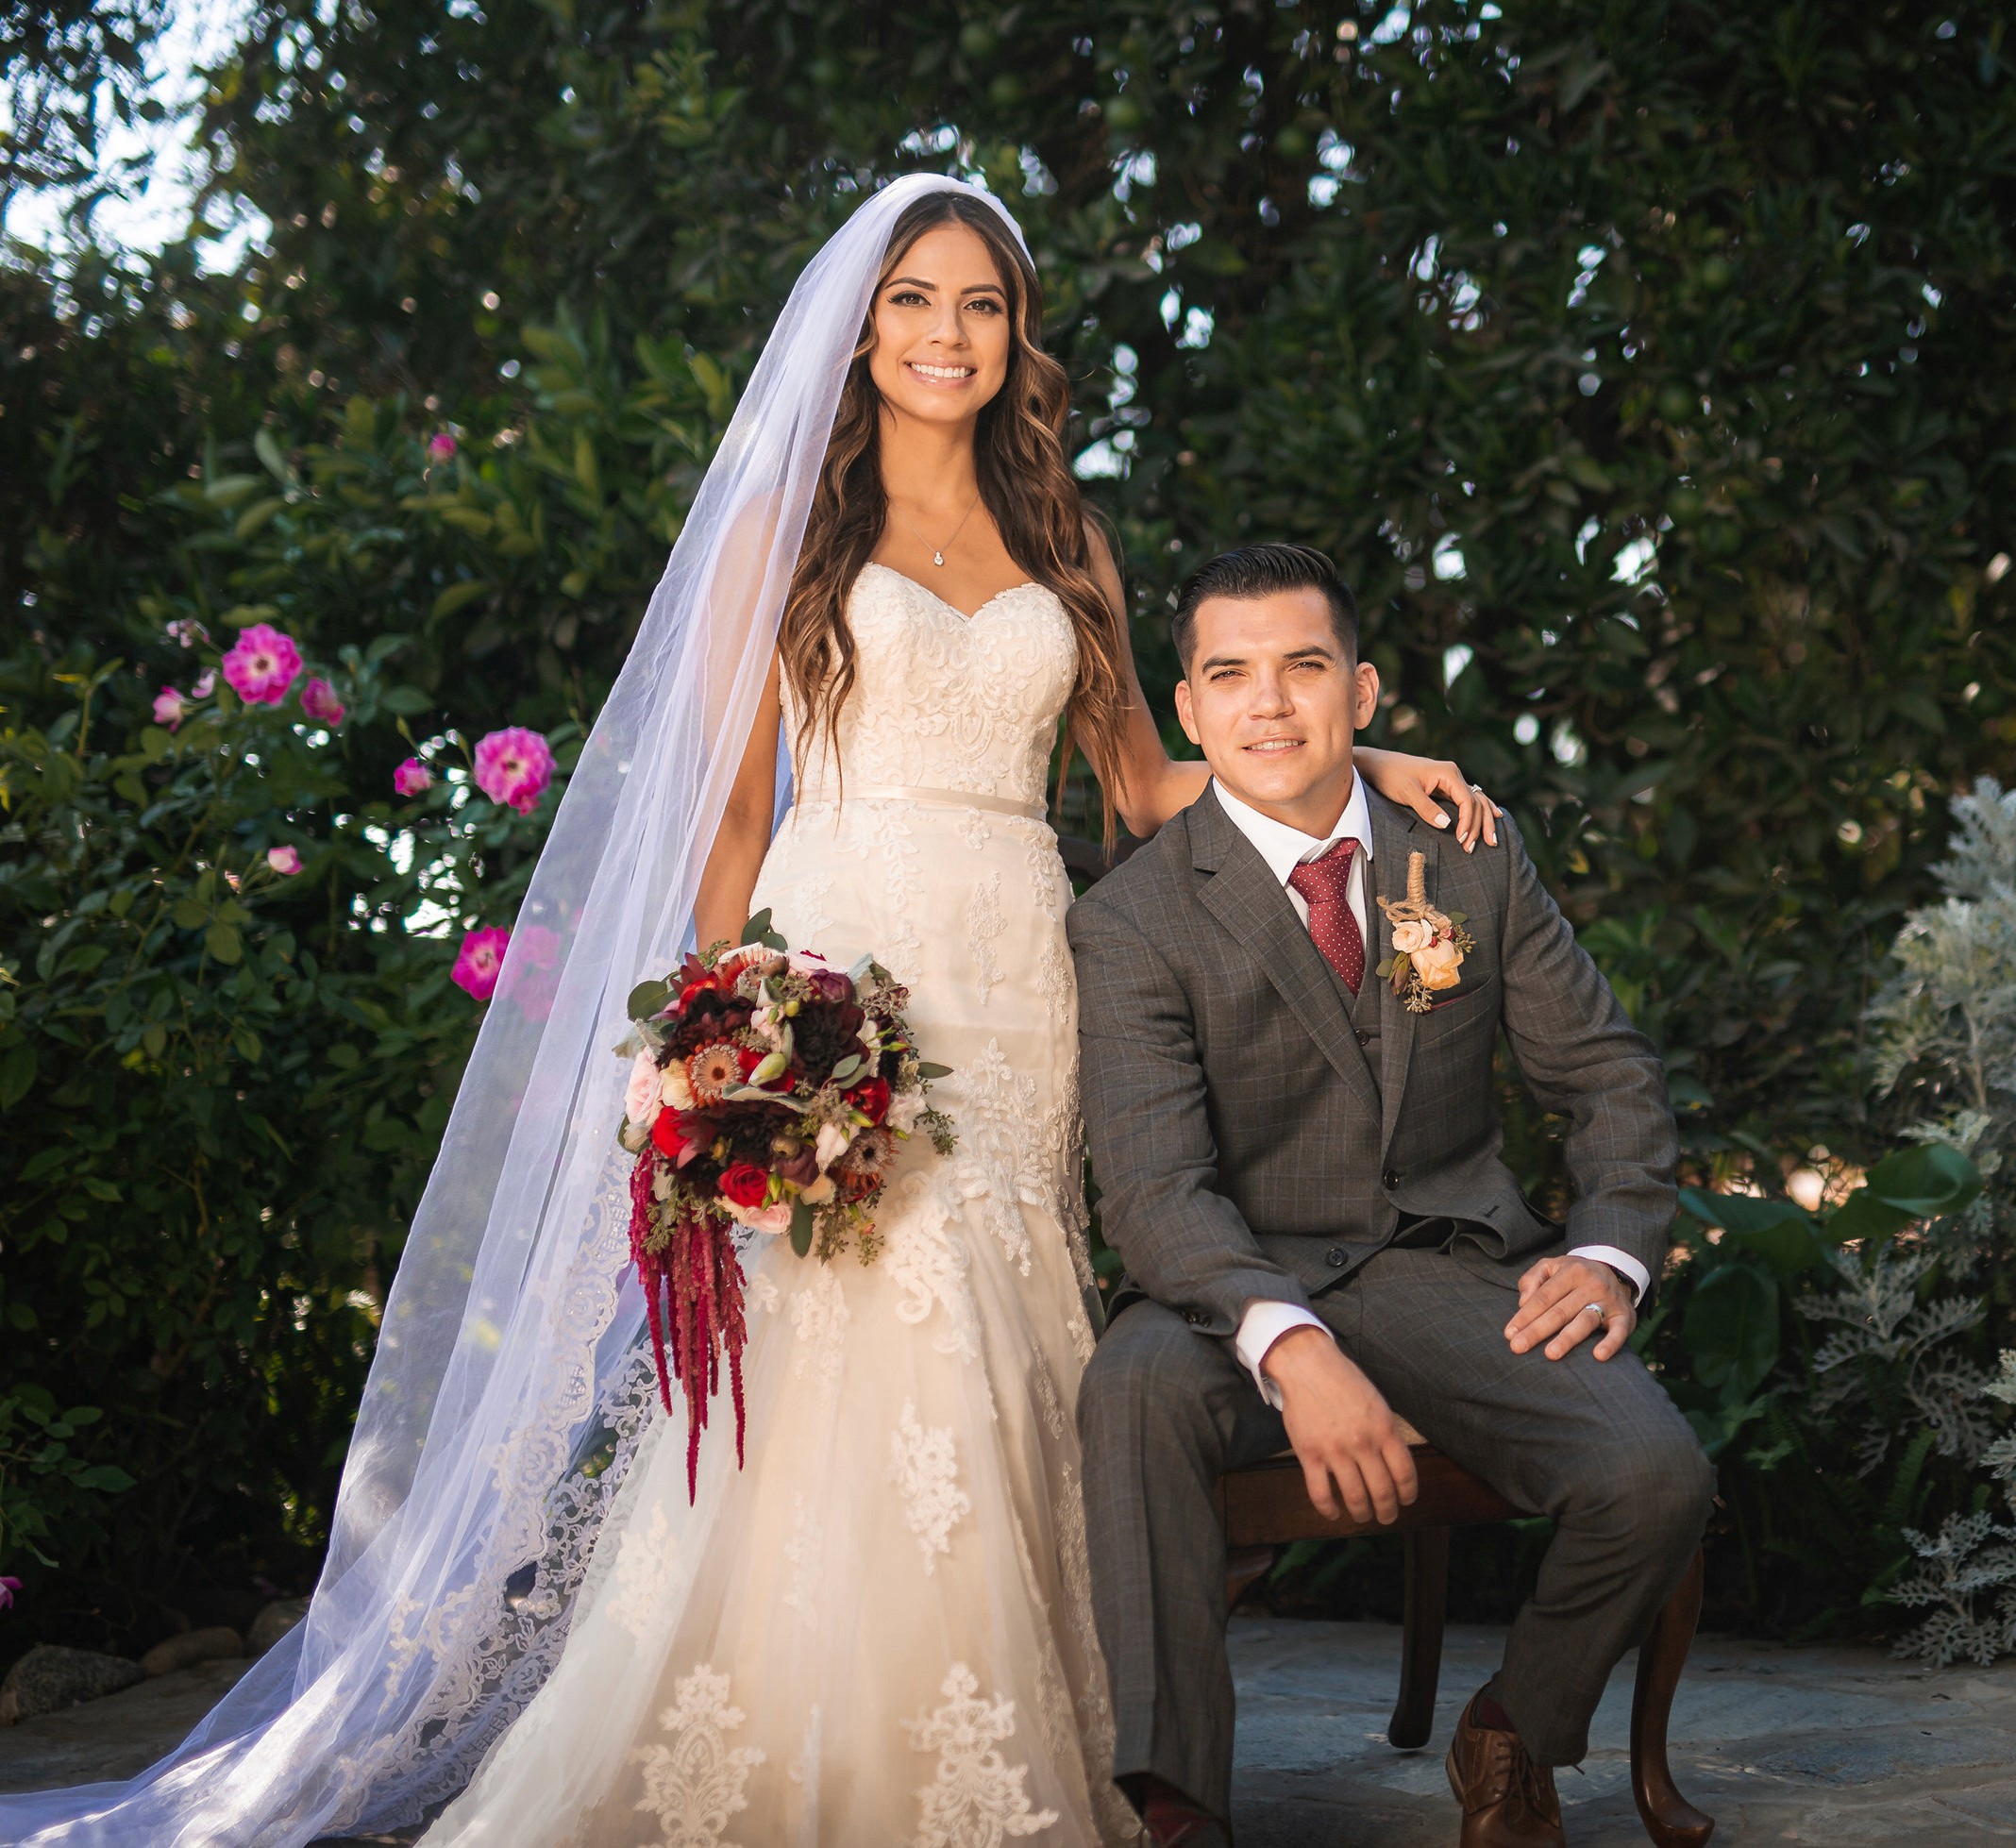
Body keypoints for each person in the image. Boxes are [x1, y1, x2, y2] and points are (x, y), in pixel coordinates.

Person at [0, 176, 1490, 1848]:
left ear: (1017, 337)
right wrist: (718, 1018)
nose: (948, 334)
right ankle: (800, 1746)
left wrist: (1359, 759)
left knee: (1006, 1339)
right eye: (917, 301)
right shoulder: (789, 527)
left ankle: (1029, 1744)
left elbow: (1146, 785)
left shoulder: (1068, 538)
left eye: (982, 306)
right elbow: (722, 808)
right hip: (836, 972)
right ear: (861, 329)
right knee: (823, 1352)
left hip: (1017, 987)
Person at [1070, 542, 1716, 1848]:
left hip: (1445, 1265)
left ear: (1359, 693)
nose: (1269, 705)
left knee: (1655, 1471)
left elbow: (1603, 1072)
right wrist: (1288, 1342)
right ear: (1186, 711)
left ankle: (1512, 1732)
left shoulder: (1464, 856)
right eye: (1229, 676)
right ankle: (1180, 1802)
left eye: (1302, 668)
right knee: (1126, 1390)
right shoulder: (1132, 916)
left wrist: (1607, 1251)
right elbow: (1152, 1183)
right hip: (1229, 1288)